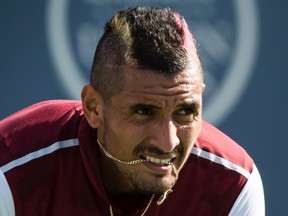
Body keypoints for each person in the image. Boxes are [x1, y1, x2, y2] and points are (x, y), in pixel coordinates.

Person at [0, 6, 265, 216]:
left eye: (185, 111)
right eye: (144, 111)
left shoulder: (233, 185)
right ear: (93, 108)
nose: (168, 142)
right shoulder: (11, 169)